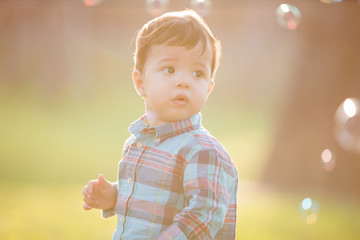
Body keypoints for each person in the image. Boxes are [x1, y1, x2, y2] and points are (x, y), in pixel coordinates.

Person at [82, 9, 238, 240]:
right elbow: (153, 197)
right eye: (170, 69)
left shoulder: (203, 151)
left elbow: (204, 215)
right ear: (140, 82)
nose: (184, 81)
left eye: (197, 73)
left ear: (209, 87)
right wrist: (115, 196)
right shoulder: (138, 142)